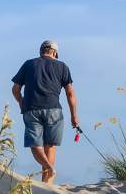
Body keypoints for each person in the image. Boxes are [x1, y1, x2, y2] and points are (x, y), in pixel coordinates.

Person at [11, 39, 78, 183]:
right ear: (54, 52)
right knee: (50, 146)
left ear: (41, 51)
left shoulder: (29, 64)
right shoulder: (63, 67)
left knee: (35, 145)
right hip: (54, 109)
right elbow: (70, 93)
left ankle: (48, 171)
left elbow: (15, 89)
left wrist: (22, 103)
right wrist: (74, 116)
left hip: (31, 109)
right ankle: (47, 181)